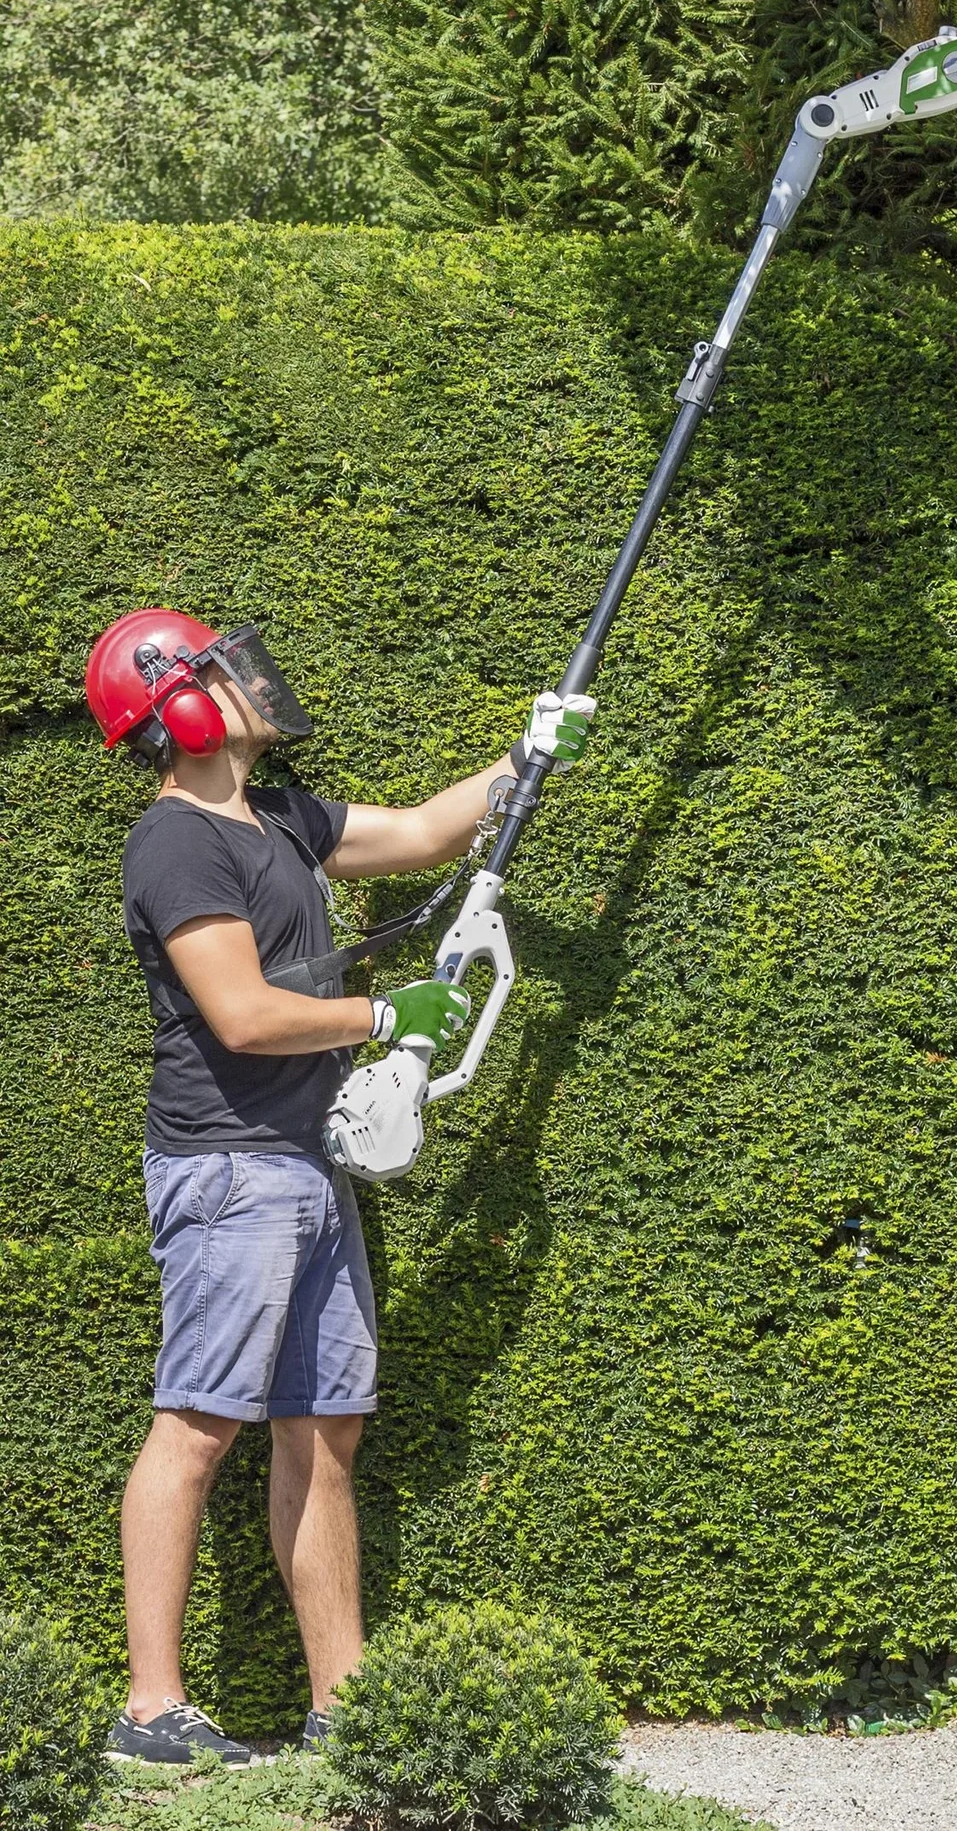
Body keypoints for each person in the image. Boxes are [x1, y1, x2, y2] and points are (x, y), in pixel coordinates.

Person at [83, 609, 594, 1767]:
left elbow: (418, 835)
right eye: (221, 670)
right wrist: (383, 1014)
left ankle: (343, 1709)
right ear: (184, 708)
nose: (252, 678)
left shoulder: (276, 819)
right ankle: (149, 1713)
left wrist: (526, 756)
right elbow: (243, 1014)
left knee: (325, 1430)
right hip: (227, 1169)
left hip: (303, 1164)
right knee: (201, 1425)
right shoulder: (175, 844)